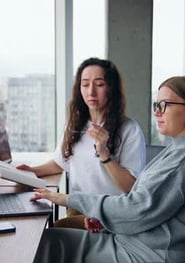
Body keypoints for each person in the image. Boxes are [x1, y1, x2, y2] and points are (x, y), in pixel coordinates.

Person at [26, 75, 185, 263]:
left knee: (46, 247)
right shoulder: (181, 150)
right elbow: (151, 208)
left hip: (145, 260)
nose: (157, 113)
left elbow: (137, 209)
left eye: (164, 105)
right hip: (131, 241)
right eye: (156, 105)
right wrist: (107, 221)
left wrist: (67, 198)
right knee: (49, 241)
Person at [17, 57, 146, 229]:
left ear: (111, 88)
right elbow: (61, 161)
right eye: (85, 84)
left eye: (99, 84)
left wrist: (104, 153)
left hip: (109, 214)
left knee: (49, 233)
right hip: (78, 209)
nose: (91, 92)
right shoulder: (76, 125)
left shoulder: (129, 130)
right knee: (37, 227)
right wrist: (32, 171)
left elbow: (130, 187)